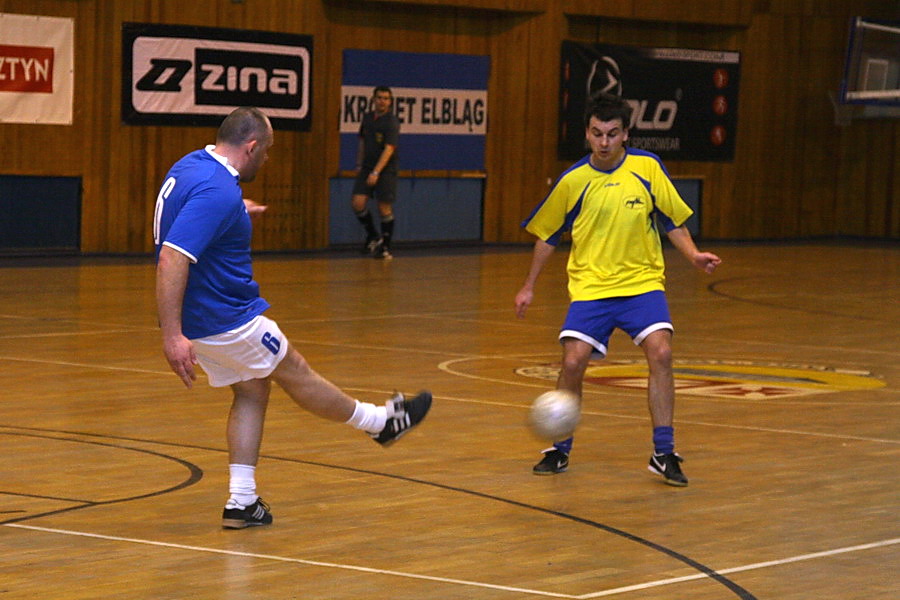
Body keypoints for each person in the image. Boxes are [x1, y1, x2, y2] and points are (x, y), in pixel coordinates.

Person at [154, 106, 431, 529]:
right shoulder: (216, 191)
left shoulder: (193, 166)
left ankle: (242, 502)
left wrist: (235, 210)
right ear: (250, 146)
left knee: (252, 390)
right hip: (226, 318)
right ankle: (378, 423)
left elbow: (189, 213)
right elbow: (172, 257)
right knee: (295, 370)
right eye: (266, 150)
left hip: (203, 320)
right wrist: (171, 336)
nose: (267, 158)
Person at [514, 92, 721, 486]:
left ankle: (664, 452)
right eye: (596, 133)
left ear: (626, 134)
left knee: (661, 352)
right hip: (591, 287)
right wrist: (528, 286)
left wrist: (692, 255)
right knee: (573, 362)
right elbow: (547, 235)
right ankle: (558, 448)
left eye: (612, 134)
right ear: (587, 134)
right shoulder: (573, 180)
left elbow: (671, 219)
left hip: (642, 284)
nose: (604, 142)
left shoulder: (647, 168)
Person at [351, 86, 400, 260]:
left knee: (383, 206)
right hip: (367, 167)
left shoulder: (391, 122)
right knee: (358, 202)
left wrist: (377, 172)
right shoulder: (367, 119)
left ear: (390, 102)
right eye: (379, 97)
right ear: (374, 99)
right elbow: (362, 142)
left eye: (386, 98)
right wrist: (360, 164)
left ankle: (385, 247)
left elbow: (389, 149)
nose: (382, 101)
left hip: (385, 169)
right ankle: (373, 235)